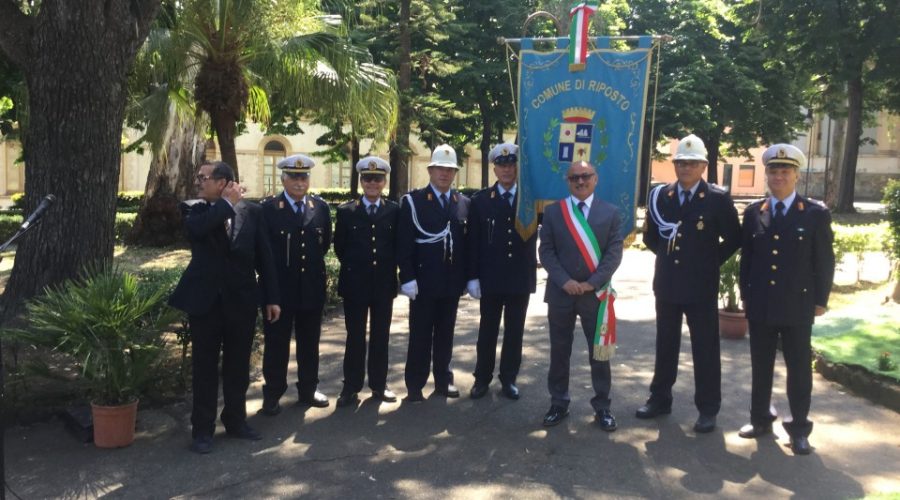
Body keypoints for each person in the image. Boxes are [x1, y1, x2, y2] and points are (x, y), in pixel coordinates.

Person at [169, 161, 281, 454]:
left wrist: (272, 298)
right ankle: (202, 430)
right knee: (204, 368)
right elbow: (199, 230)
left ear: (223, 182)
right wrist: (228, 204)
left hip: (241, 302)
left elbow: (264, 258)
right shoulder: (195, 209)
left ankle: (235, 420)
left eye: (204, 178)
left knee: (238, 366)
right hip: (206, 303)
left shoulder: (254, 212)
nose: (198, 182)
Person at [637, 134, 741, 433]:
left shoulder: (717, 199)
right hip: (668, 284)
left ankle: (708, 409)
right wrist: (670, 258)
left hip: (700, 286)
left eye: (692, 163)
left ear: (704, 166)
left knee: (705, 349)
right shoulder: (661, 196)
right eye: (681, 162)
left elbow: (734, 238)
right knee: (665, 345)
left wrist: (708, 261)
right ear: (675, 165)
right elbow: (651, 236)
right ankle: (660, 399)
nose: (686, 168)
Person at [737, 143, 835, 455]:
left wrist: (821, 300)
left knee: (798, 369)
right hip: (762, 303)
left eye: (785, 171)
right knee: (761, 365)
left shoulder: (815, 214)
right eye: (774, 171)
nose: (779, 176)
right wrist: (746, 296)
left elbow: (824, 261)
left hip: (798, 304)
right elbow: (747, 261)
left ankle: (799, 428)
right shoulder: (754, 214)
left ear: (796, 175)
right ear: (766, 174)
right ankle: (760, 419)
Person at [538, 160, 624, 430]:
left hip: (595, 296)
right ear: (568, 181)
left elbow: (613, 254)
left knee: (599, 353)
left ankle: (602, 407)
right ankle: (558, 403)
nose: (580, 181)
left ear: (596, 179)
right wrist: (564, 281)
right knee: (559, 351)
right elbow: (546, 252)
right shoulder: (553, 213)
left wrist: (591, 283)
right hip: (561, 294)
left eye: (586, 176)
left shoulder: (610, 213)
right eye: (574, 177)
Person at [258, 154, 332, 415]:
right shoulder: (268, 210)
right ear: (283, 178)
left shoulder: (320, 208)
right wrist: (270, 296)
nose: (300, 182)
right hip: (280, 292)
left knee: (310, 343)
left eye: (304, 177)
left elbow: (323, 246)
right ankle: (273, 394)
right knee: (276, 345)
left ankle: (308, 389)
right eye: (294, 177)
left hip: (311, 289)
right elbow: (263, 256)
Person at [397, 144, 470, 402]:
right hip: (423, 282)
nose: (445, 174)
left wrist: (469, 278)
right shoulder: (414, 202)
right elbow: (404, 244)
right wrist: (406, 277)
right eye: (440, 168)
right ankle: (415, 385)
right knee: (419, 334)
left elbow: (465, 246)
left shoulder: (462, 203)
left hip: (451, 282)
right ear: (430, 170)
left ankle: (443, 379)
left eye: (450, 170)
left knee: (445, 334)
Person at [466, 143, 537, 400]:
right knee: (488, 330)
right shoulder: (481, 201)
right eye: (502, 165)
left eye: (511, 164)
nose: (507, 170)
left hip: (520, 276)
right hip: (491, 277)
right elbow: (473, 241)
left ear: (517, 167)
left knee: (515, 331)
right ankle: (481, 378)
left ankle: (509, 378)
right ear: (494, 168)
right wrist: (472, 276)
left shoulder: (531, 200)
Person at [333, 156, 400, 407]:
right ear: (361, 181)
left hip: (383, 284)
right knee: (355, 336)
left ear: (384, 182)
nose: (373, 183)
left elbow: (396, 246)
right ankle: (350, 387)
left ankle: (379, 385)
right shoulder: (346, 211)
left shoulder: (394, 210)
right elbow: (340, 247)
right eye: (368, 178)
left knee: (381, 336)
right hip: (355, 284)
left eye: (378, 179)